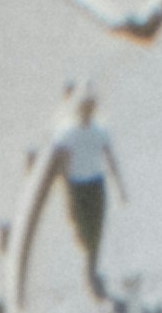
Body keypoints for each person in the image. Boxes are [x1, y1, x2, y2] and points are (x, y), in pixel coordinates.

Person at [43, 89, 122, 299]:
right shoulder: (68, 132)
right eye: (84, 107)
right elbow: (61, 160)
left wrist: (119, 186)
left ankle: (91, 266)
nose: (88, 111)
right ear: (79, 109)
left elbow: (110, 156)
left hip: (96, 182)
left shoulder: (101, 130)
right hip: (77, 184)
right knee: (81, 225)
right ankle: (88, 251)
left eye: (91, 107)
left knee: (96, 226)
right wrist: (65, 185)